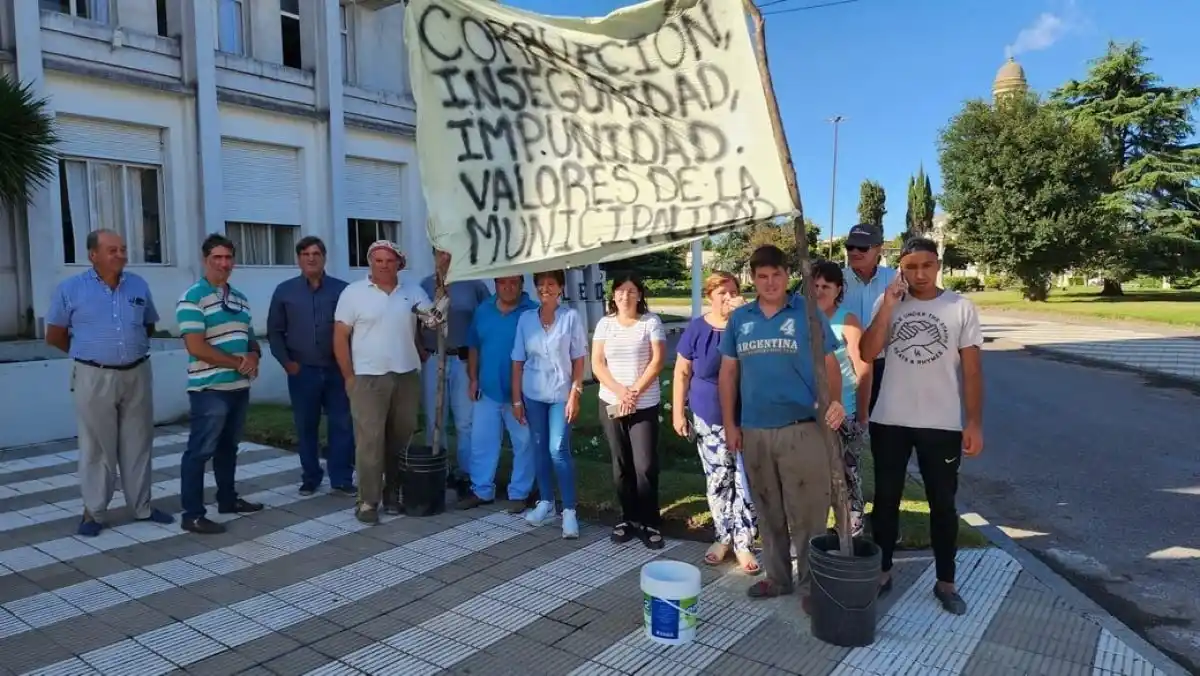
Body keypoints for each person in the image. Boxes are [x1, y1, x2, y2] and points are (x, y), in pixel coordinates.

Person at [860, 237, 984, 616]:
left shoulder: (960, 307)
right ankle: (882, 573)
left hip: (940, 423)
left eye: (926, 265)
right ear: (900, 268)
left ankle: (946, 582)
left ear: (938, 264)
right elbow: (866, 352)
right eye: (911, 267)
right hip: (890, 420)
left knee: (942, 505)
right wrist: (888, 307)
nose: (919, 274)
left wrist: (974, 421)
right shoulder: (890, 303)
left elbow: (973, 371)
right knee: (885, 502)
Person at [718, 245, 846, 608]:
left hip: (802, 428)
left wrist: (833, 402)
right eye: (762, 276)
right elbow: (728, 373)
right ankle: (777, 578)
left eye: (776, 275)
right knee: (768, 508)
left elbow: (830, 365)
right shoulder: (740, 319)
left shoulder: (807, 313)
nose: (770, 282)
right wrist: (731, 423)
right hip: (755, 429)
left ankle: (811, 586)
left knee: (807, 513)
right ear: (753, 279)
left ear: (787, 275)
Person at [44, 229, 174, 536]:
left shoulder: (138, 285)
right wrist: (89, 355)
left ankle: (141, 507)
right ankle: (95, 513)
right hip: (93, 375)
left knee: (139, 442)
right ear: (93, 255)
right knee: (96, 446)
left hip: (137, 373)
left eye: (123, 249)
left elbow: (148, 325)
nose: (121, 255)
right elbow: (55, 335)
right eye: (113, 250)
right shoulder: (71, 289)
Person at [333, 240, 445, 524]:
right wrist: (349, 377)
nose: (384, 265)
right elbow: (339, 337)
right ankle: (367, 502)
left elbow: (433, 320)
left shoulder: (412, 291)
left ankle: (393, 493)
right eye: (378, 260)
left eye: (390, 261)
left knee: (400, 439)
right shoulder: (353, 293)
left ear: (400, 264)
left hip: (406, 374)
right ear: (370, 262)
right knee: (370, 442)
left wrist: (443, 292)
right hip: (368, 377)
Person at [176, 234, 265, 534]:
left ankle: (227, 499)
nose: (224, 263)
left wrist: (253, 355)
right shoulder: (192, 298)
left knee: (229, 448)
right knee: (200, 451)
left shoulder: (240, 297)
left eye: (228, 257)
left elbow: (250, 337)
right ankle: (192, 514)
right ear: (205, 260)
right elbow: (197, 347)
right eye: (217, 257)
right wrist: (239, 363)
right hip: (209, 389)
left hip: (238, 388)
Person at [672, 271, 758, 571]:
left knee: (746, 481)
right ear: (710, 295)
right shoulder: (698, 329)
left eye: (733, 291)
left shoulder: (749, 325)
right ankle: (723, 537)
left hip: (748, 416)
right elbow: (682, 371)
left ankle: (744, 543)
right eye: (722, 292)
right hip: (709, 417)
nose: (728, 297)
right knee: (719, 480)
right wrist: (677, 412)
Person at [266, 236, 354, 497]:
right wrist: (287, 364)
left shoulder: (343, 290)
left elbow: (355, 330)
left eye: (316, 253)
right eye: (305, 254)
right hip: (302, 371)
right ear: (299, 259)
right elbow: (275, 331)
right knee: (306, 426)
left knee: (342, 425)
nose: (311, 258)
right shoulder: (284, 291)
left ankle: (341, 478)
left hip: (337, 371)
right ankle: (311, 476)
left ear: (324, 257)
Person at [593, 272, 669, 550]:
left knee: (645, 465)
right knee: (621, 464)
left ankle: (650, 522)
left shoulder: (651, 322)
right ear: (613, 295)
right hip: (612, 402)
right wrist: (620, 391)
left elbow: (658, 360)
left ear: (640, 295)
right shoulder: (605, 324)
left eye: (631, 291)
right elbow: (597, 364)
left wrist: (634, 391)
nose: (625, 296)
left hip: (643, 403)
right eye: (620, 291)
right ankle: (628, 518)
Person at [511, 270, 588, 539]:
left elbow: (579, 358)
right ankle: (545, 502)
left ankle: (569, 511)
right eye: (541, 284)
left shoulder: (570, 318)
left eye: (551, 284)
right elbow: (518, 360)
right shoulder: (525, 319)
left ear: (560, 288)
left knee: (558, 449)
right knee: (539, 447)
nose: (545, 288)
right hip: (532, 393)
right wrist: (517, 399)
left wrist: (576, 393)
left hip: (560, 394)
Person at [457, 274, 538, 512]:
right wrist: (473, 378)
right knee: (482, 441)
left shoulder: (532, 312)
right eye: (503, 282)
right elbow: (474, 346)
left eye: (514, 282)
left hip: (521, 394)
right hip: (488, 389)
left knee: (524, 443)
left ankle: (520, 493)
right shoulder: (483, 310)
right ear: (496, 285)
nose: (508, 287)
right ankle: (481, 490)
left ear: (522, 285)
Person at [419, 249, 490, 487]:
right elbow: (415, 321)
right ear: (434, 256)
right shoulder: (425, 286)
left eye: (451, 253)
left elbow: (486, 321)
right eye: (440, 253)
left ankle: (466, 473)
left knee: (465, 421)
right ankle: (438, 469)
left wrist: (479, 360)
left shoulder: (474, 286)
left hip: (462, 361)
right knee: (434, 418)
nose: (446, 258)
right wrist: (419, 347)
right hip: (434, 359)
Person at [811, 261, 871, 538]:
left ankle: (851, 530)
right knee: (814, 477)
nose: (820, 290)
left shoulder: (847, 320)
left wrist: (861, 414)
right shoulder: (802, 318)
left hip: (843, 411)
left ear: (838, 290)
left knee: (846, 475)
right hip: (809, 413)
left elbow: (863, 368)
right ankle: (817, 531)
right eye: (816, 285)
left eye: (827, 286)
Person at [840, 223, 892, 414]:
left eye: (862, 247)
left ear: (879, 248)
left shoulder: (895, 280)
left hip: (884, 367)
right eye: (850, 247)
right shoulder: (834, 281)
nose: (854, 252)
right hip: (842, 365)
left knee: (882, 427)